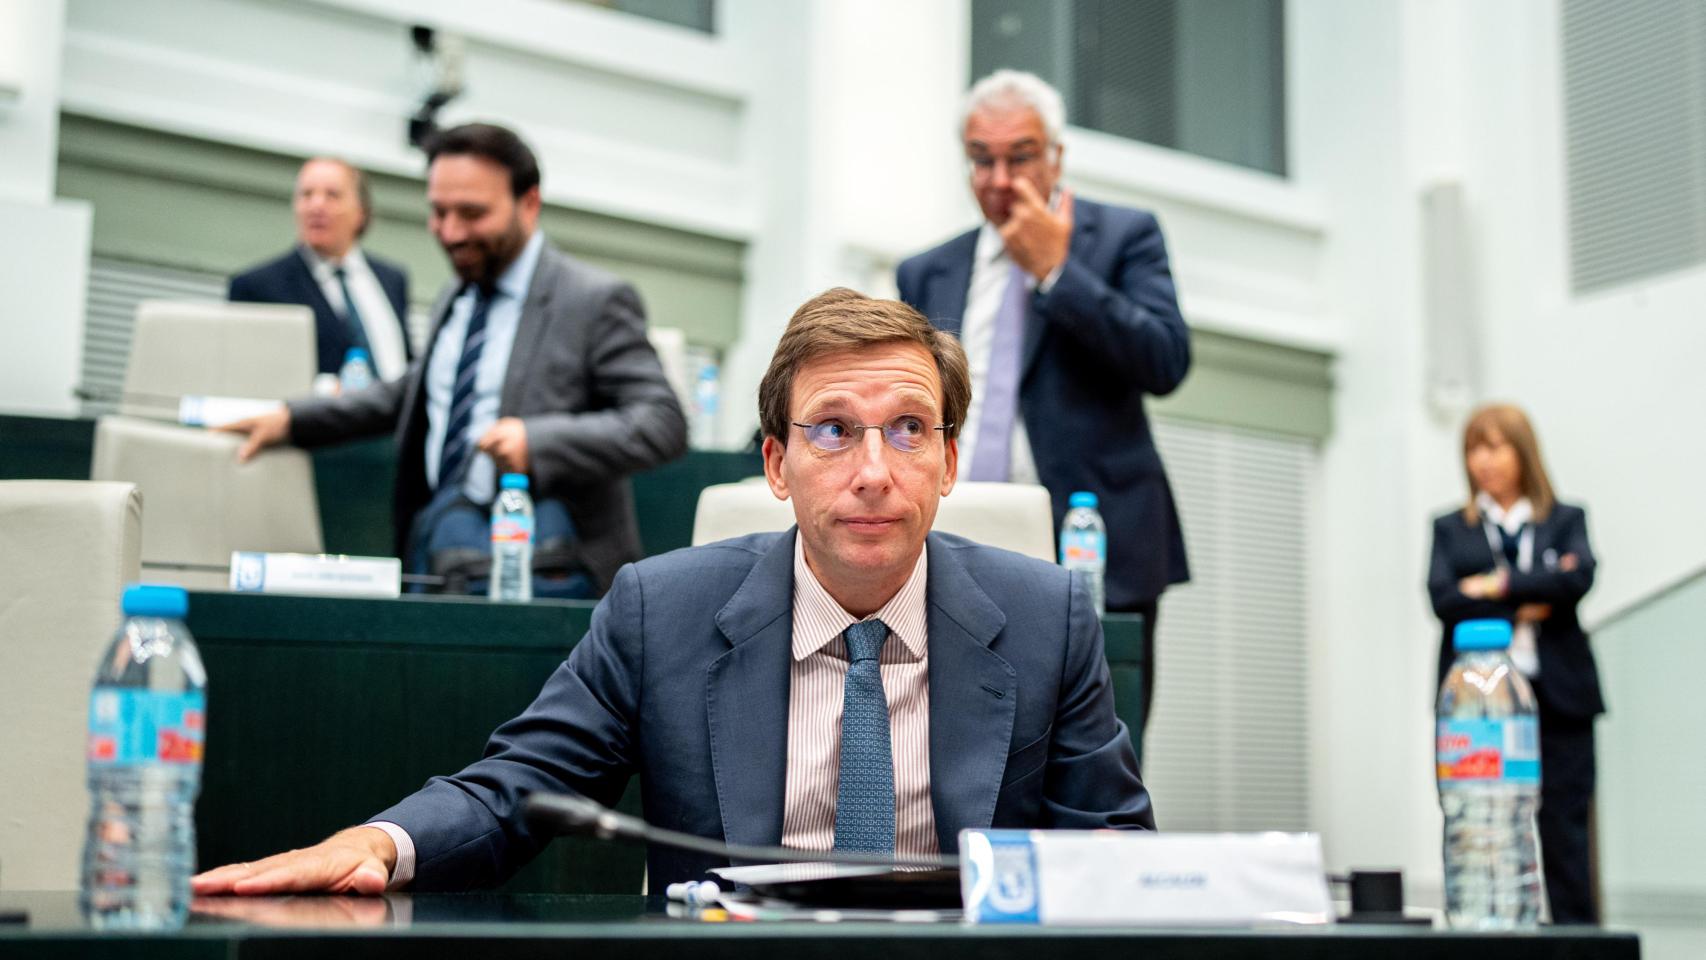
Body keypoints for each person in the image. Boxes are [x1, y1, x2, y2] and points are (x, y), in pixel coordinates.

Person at [192, 288, 1155, 896]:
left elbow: (1116, 861)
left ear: (948, 462)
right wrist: (383, 841)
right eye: (832, 430)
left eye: (909, 429)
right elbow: (518, 789)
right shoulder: (662, 612)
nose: (873, 470)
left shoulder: (1049, 618)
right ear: (775, 465)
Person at [222, 124, 687, 597]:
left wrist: (537, 441)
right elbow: (411, 393)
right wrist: (293, 419)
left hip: (544, 576)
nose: (450, 232)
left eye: (472, 213)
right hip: (439, 559)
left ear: (529, 203)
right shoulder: (456, 295)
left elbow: (662, 422)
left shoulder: (592, 299)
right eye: (439, 212)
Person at [896, 69, 1190, 735]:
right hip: (959, 541)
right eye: (982, 160)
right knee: (965, 744)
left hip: (1089, 544)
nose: (1000, 179)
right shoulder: (927, 271)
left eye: (1021, 157)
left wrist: (1058, 271)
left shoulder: (1123, 237)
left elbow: (1165, 360)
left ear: (1056, 157)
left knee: (1101, 752)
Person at [1427, 403, 1603, 924]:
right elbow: (1444, 599)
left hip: (1560, 700)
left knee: (1566, 834)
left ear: (1523, 452)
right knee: (1485, 831)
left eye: (1495, 447)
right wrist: (1532, 593)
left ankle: (1577, 943)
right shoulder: (1450, 529)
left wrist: (1491, 585)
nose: (1484, 460)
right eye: (1474, 449)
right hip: (1477, 709)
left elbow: (1576, 580)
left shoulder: (1565, 520)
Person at [229, 157, 414, 380]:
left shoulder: (392, 279)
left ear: (361, 212)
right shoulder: (257, 287)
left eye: (332, 195)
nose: (316, 206)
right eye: (306, 195)